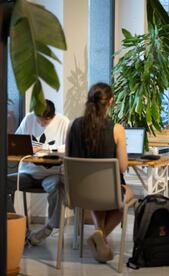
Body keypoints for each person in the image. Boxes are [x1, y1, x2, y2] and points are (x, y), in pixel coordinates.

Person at [66, 83, 134, 263]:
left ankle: (99, 236)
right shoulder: (116, 129)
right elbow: (122, 167)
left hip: (79, 194)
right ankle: (100, 235)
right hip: (108, 194)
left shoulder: (73, 125)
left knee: (101, 198)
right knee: (127, 196)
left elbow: (68, 159)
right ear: (110, 102)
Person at [7, 100, 70, 245]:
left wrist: (47, 149)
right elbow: (15, 142)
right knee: (3, 183)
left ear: (52, 116)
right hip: (28, 173)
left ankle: (47, 229)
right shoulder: (29, 119)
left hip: (52, 174)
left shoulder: (63, 122)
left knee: (58, 186)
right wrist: (27, 148)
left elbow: (69, 147)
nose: (41, 124)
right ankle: (19, 228)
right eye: (39, 119)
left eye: (45, 121)